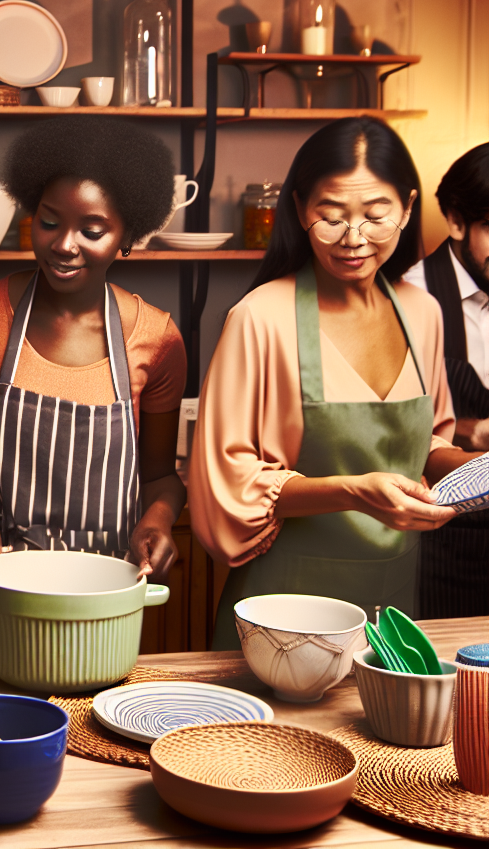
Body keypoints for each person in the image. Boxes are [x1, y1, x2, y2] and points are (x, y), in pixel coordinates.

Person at [189, 117, 472, 649]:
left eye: (376, 215)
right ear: (299, 210)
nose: (354, 239)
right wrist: (354, 493)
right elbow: (224, 490)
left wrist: (467, 469)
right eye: (331, 216)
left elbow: (427, 439)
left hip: (393, 612)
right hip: (283, 612)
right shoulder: (260, 317)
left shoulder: (422, 312)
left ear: (408, 208)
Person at [0, 117, 188, 658]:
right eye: (50, 222)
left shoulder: (157, 338)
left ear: (128, 236)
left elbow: (162, 478)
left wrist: (158, 519)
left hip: (101, 608)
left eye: (92, 230)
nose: (64, 245)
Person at [401, 144, 489, 617]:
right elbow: (389, 431)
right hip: (445, 543)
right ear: (456, 221)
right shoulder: (411, 297)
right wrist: (474, 431)